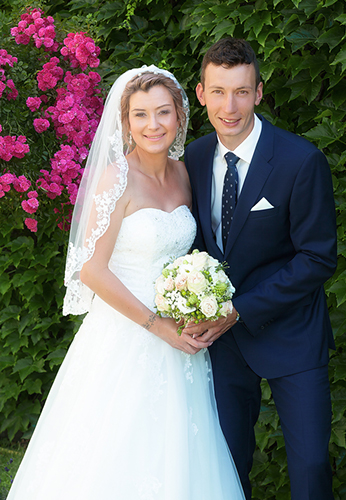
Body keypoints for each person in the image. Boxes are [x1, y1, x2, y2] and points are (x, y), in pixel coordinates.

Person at [7, 66, 245, 500]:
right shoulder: (115, 178)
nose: (152, 125)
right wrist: (157, 326)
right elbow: (92, 271)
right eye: (140, 115)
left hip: (182, 335)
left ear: (180, 117)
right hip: (127, 333)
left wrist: (198, 300)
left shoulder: (183, 173)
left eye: (162, 113)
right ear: (125, 122)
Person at [184, 38, 337, 500]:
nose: (229, 106)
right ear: (200, 93)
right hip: (223, 343)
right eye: (218, 92)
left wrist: (239, 308)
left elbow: (317, 257)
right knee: (227, 466)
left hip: (293, 334)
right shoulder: (189, 159)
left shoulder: (300, 160)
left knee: (310, 466)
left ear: (259, 92)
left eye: (242, 92)